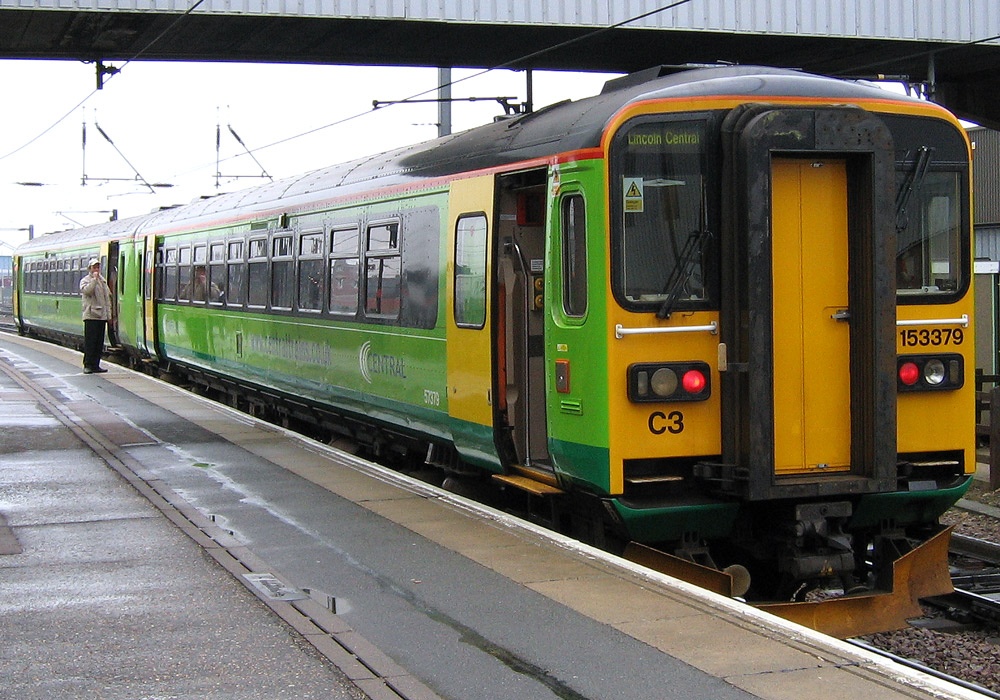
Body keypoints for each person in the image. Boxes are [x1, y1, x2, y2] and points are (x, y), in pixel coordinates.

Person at [79, 258, 111, 374]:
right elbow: (88, 291)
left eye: (98, 267)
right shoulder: (85, 280)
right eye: (94, 267)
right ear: (90, 269)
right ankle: (87, 365)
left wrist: (108, 315)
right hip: (91, 315)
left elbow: (107, 298)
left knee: (99, 342)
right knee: (90, 342)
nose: (96, 269)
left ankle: (96, 364)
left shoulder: (103, 281)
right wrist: (94, 280)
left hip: (101, 316)